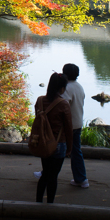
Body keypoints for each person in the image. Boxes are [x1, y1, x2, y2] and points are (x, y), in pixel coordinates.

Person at [35, 72, 74, 203]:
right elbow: (69, 128)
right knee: (53, 176)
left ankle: (38, 202)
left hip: (43, 142)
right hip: (58, 144)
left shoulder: (40, 101)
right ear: (62, 88)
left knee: (45, 173)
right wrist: (70, 147)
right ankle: (50, 204)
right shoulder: (63, 104)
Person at [62, 63, 89, 188]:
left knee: (58, 149)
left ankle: (81, 178)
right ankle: (80, 178)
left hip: (69, 125)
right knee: (74, 150)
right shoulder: (79, 86)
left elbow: (64, 107)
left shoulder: (67, 88)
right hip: (78, 123)